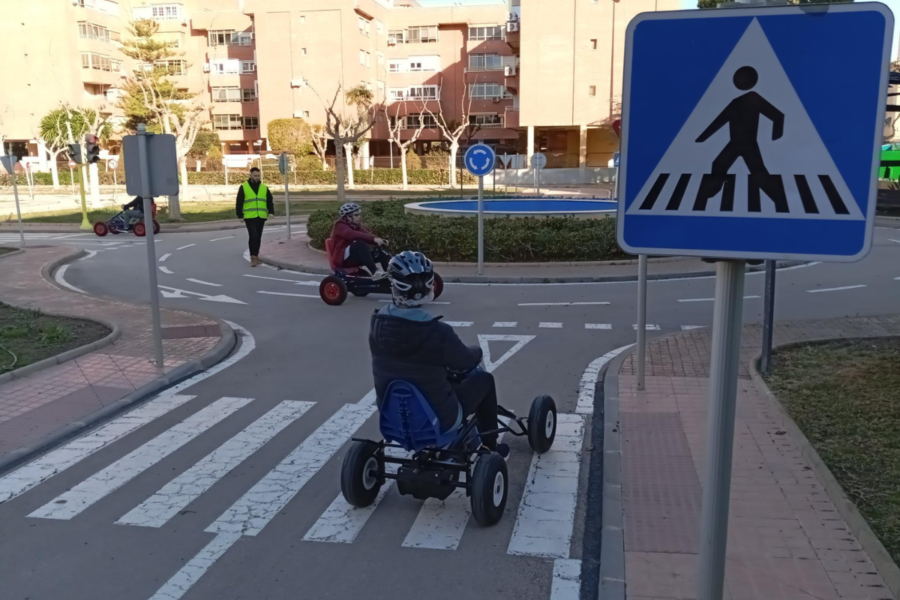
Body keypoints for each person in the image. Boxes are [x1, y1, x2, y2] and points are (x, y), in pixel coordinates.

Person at [369, 251, 505, 453]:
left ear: (394, 285)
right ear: (430, 286)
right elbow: (465, 361)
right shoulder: (438, 332)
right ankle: (490, 445)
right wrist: (476, 351)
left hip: (392, 417)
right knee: (484, 380)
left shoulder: (376, 324)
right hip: (439, 418)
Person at [328, 202, 389, 278]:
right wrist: (374, 239)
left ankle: (391, 276)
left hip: (353, 257)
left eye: (359, 214)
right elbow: (351, 234)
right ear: (348, 217)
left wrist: (379, 241)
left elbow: (367, 234)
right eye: (356, 215)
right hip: (342, 260)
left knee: (381, 252)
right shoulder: (339, 225)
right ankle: (375, 272)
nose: (359, 217)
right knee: (360, 244)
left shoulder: (355, 225)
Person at [236, 167, 274, 267]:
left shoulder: (264, 188)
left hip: (261, 216)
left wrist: (271, 212)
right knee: (253, 236)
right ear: (250, 175)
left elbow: (269, 201)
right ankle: (253, 257)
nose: (257, 177)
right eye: (255, 176)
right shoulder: (244, 187)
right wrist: (240, 215)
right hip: (249, 217)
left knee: (258, 237)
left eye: (258, 176)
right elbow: (239, 202)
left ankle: (256, 256)